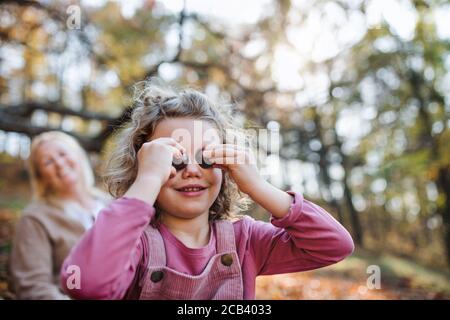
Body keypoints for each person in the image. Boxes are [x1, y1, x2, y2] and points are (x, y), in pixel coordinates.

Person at [60, 79, 354, 300]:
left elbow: (334, 246)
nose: (191, 170)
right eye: (174, 159)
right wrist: (147, 181)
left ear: (225, 169)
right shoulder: (136, 245)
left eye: (207, 157)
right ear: (145, 165)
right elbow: (87, 283)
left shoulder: (245, 242)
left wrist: (258, 186)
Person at [10, 131, 109, 299]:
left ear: (78, 155)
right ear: (41, 176)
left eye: (63, 154)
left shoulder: (114, 204)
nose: (59, 163)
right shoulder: (35, 219)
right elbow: (33, 287)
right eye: (48, 162)